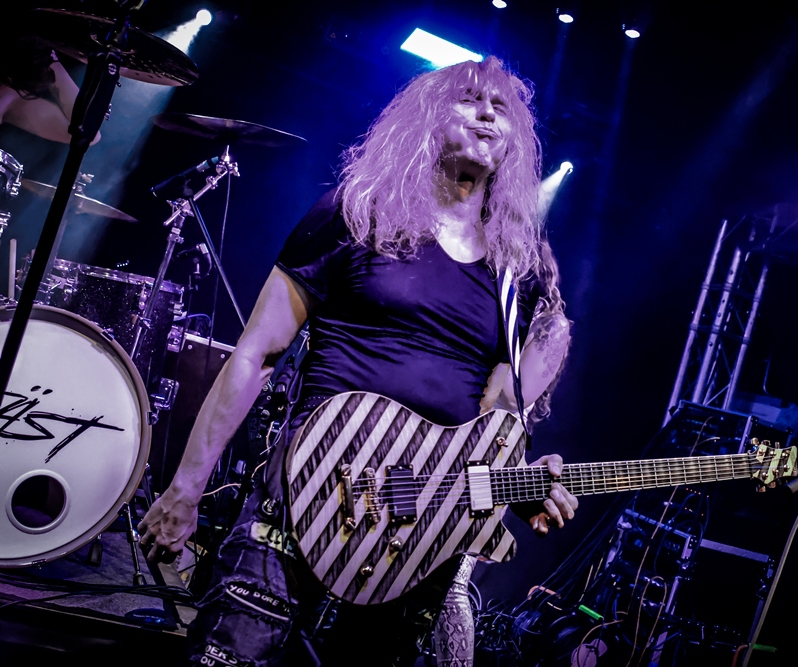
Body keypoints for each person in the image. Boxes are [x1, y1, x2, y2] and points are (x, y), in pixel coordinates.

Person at [138, 55, 576, 667]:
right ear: (428, 117)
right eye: (469, 100)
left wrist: (519, 482)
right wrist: (186, 488)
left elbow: (492, 424)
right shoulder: (357, 214)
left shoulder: (513, 274)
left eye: (500, 108)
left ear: (514, 141)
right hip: (307, 488)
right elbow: (257, 353)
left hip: (413, 531)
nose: (485, 115)